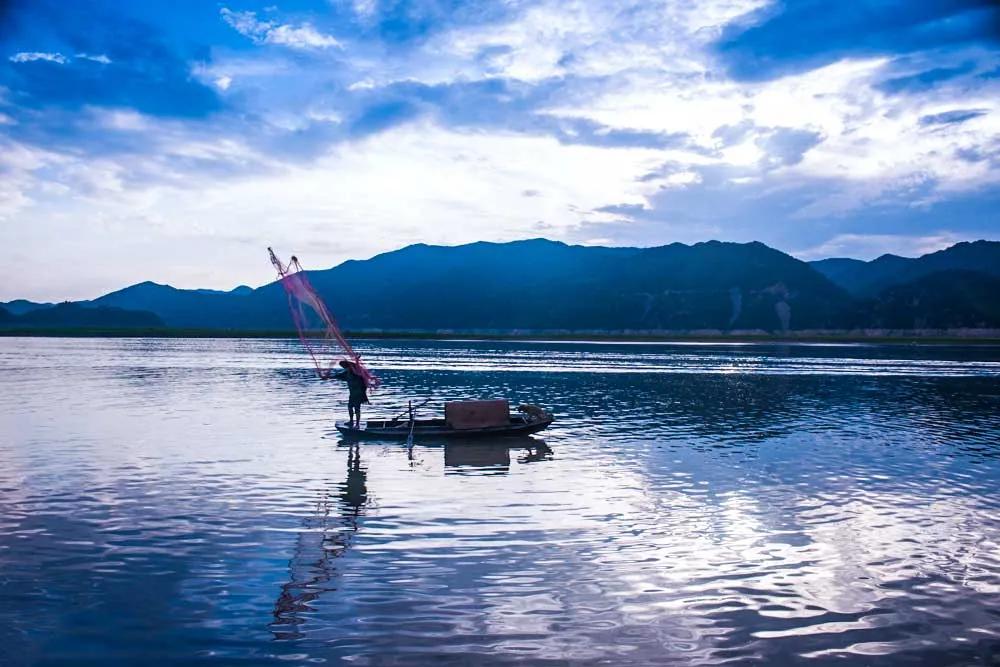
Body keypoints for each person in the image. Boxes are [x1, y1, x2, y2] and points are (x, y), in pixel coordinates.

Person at [331, 360, 369, 428]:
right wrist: (328, 377)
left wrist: (357, 360)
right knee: (350, 407)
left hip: (358, 393)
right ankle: (351, 421)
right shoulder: (347, 372)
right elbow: (338, 376)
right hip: (352, 393)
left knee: (357, 408)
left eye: (343, 366)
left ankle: (357, 424)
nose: (343, 368)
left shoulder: (355, 372)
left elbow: (359, 372)